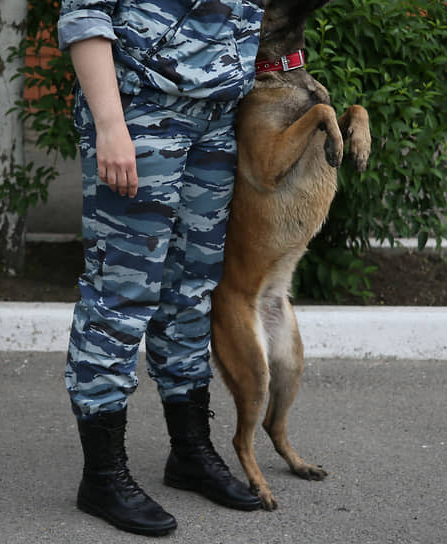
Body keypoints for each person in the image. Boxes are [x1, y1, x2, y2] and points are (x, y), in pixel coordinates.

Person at [57, 0, 266, 536]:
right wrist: (109, 122)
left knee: (190, 293)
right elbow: (85, 13)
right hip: (141, 113)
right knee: (120, 296)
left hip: (218, 118)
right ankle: (102, 475)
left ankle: (190, 451)